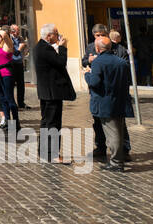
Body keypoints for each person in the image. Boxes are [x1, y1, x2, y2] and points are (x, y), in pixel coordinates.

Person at [84, 34, 133, 171]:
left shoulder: (98, 62)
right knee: (119, 130)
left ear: (98, 49)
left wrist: (87, 74)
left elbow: (94, 83)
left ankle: (116, 162)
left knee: (113, 134)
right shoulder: (121, 62)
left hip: (105, 103)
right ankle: (119, 159)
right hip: (120, 101)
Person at [32, 24, 76, 164]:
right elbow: (61, 62)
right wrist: (63, 47)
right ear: (49, 35)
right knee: (53, 123)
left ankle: (44, 152)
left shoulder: (39, 47)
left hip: (47, 91)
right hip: (52, 92)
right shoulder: (45, 49)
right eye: (56, 34)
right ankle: (52, 154)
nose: (58, 36)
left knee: (46, 122)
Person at [0, 29, 19, 132]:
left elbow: (5, 35)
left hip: (6, 74)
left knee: (9, 98)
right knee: (2, 99)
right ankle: (7, 121)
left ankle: (16, 123)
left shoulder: (8, 45)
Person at [8, 23, 29, 109]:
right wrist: (20, 48)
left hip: (19, 63)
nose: (18, 32)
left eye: (18, 31)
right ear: (12, 31)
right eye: (16, 31)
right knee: (11, 84)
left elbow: (24, 50)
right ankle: (12, 104)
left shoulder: (20, 38)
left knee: (21, 84)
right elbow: (14, 52)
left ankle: (21, 102)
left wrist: (22, 47)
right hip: (11, 64)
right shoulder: (9, 39)